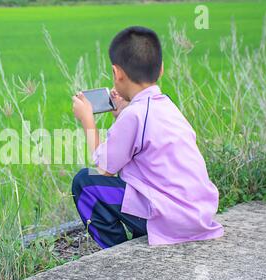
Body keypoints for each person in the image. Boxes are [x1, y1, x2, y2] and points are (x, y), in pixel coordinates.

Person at [71, 26, 224, 248]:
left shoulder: (134, 115)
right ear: (160, 69)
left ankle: (116, 252)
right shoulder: (166, 106)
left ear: (117, 73)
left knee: (84, 183)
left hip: (171, 221)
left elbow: (104, 169)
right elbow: (138, 148)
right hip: (198, 216)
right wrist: (121, 115)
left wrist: (87, 121)